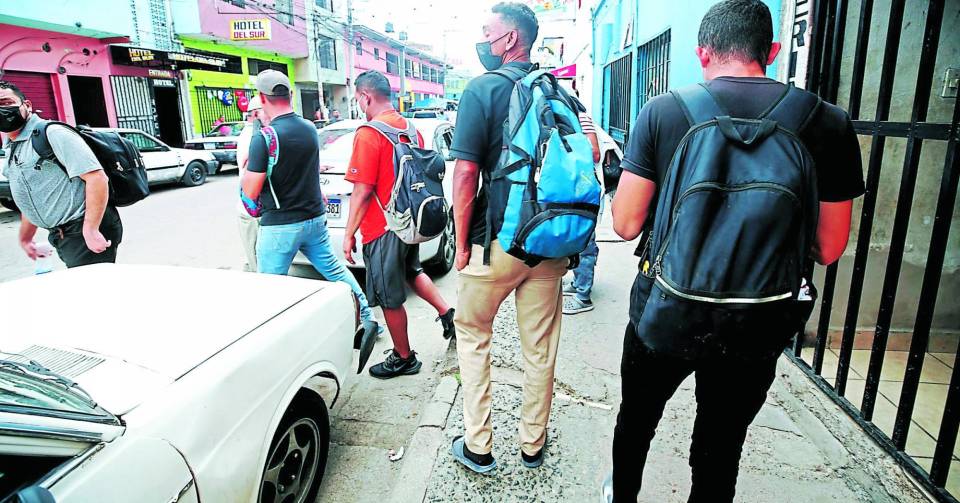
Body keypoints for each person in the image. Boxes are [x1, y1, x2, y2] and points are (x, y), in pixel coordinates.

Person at [605, 1, 865, 501]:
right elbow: (829, 248)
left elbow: (625, 223)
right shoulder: (827, 122)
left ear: (703, 53)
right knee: (721, 445)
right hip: (758, 319)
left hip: (666, 308)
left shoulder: (663, 111)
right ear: (772, 50)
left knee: (636, 422)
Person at [448, 2, 560, 473]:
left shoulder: (483, 88)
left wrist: (460, 243)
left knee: (474, 334)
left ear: (510, 38)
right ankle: (533, 443)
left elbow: (465, 173)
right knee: (540, 346)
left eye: (488, 31)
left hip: (495, 241)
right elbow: (589, 151)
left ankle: (479, 444)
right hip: (549, 240)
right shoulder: (554, 88)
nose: (483, 39)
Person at [343, 70, 456, 379]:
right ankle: (448, 314)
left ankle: (404, 357)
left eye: (358, 100)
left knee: (388, 297)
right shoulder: (410, 128)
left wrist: (349, 233)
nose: (359, 105)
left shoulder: (369, 133)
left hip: (382, 229)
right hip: (408, 223)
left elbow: (362, 190)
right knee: (412, 271)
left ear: (365, 97)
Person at [240, 70, 375, 327]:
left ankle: (276, 336)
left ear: (262, 98)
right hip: (314, 219)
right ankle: (368, 320)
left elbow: (250, 192)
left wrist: (249, 165)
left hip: (280, 226)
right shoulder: (310, 128)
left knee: (268, 287)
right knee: (336, 272)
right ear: (290, 95)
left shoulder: (264, 138)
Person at [0, 80, 121, 268]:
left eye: (7, 102)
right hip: (62, 233)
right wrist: (26, 238)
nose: (2, 110)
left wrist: (90, 229)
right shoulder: (11, 146)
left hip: (81, 227)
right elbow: (30, 196)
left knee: (91, 285)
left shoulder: (53, 133)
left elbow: (96, 177)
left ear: (27, 105)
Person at [562, 109, 602, 315]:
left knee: (585, 242)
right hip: (570, 188)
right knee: (575, 239)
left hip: (583, 189)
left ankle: (583, 296)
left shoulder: (581, 117)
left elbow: (595, 153)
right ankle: (579, 282)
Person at [236, 94, 266, 272]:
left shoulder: (256, 134)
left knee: (254, 257)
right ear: (255, 114)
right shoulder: (252, 136)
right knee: (256, 259)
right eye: (265, 112)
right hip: (251, 209)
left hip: (254, 208)